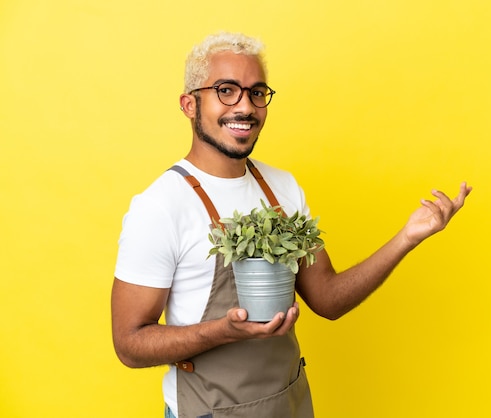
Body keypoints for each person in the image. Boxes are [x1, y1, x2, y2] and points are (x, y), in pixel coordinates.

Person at [111, 31, 472, 418]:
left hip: (290, 405)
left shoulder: (282, 187)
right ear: (189, 104)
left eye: (257, 92)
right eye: (226, 90)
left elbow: (328, 299)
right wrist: (223, 331)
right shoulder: (160, 206)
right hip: (209, 411)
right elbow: (129, 344)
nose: (245, 106)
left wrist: (407, 237)